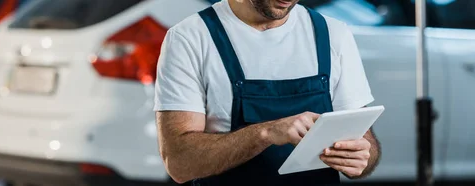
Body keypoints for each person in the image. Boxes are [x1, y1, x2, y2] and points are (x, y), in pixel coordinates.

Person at [154, 0, 381, 185]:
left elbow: (366, 146)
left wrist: (361, 157)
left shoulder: (333, 33)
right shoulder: (189, 38)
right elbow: (179, 163)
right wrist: (267, 132)